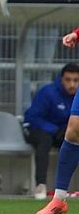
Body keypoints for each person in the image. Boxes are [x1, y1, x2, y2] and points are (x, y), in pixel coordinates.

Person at [24, 63, 79, 200]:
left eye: (76, 80)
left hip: (63, 133)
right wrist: (54, 129)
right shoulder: (48, 92)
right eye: (68, 80)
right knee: (45, 140)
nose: (72, 84)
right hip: (39, 130)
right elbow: (32, 117)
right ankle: (40, 185)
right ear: (61, 79)